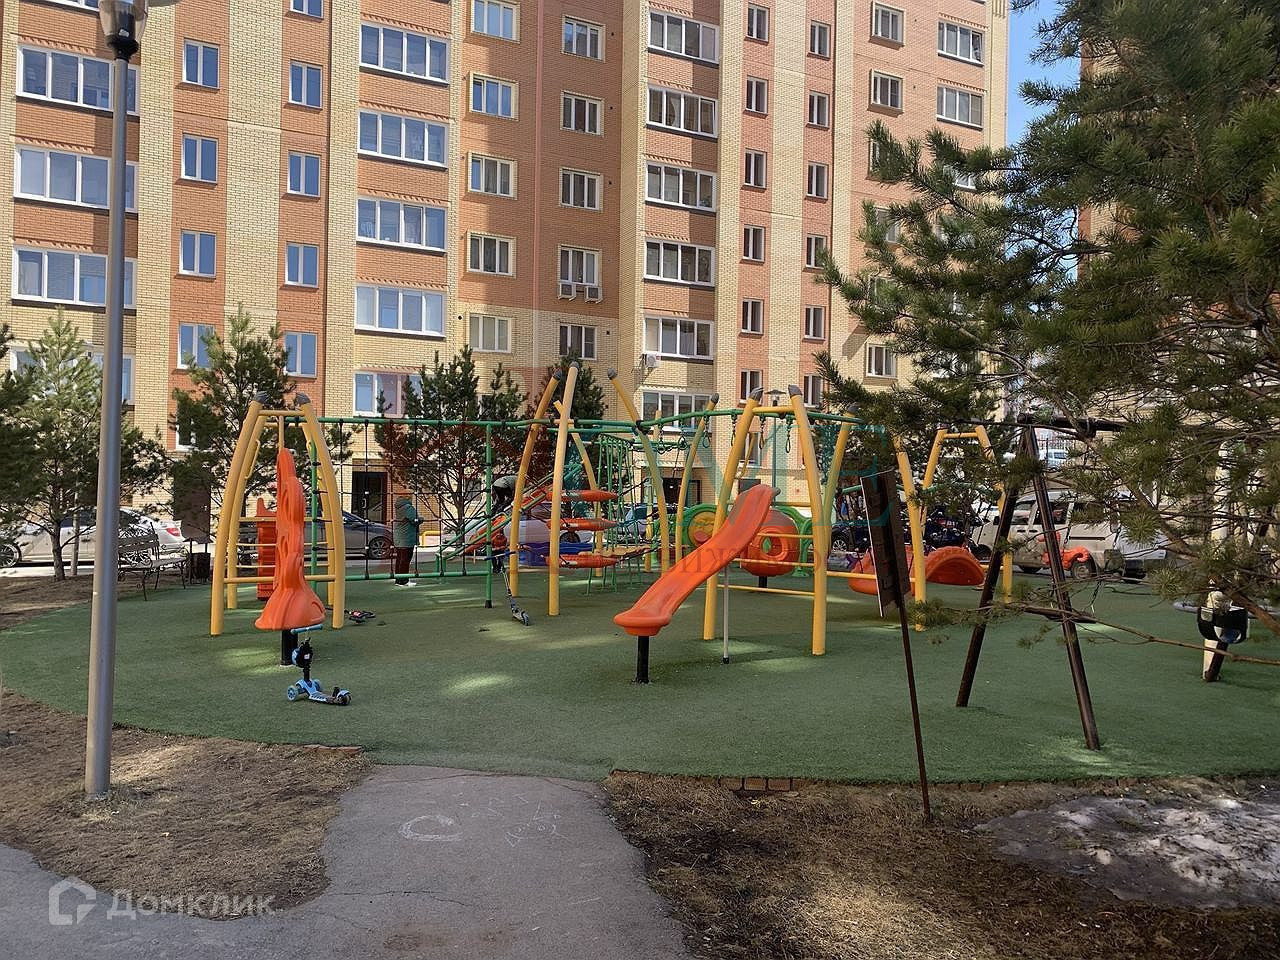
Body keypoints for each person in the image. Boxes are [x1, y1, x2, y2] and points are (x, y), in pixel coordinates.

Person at [393, 496, 422, 586]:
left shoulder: (399, 507)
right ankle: (404, 580)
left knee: (399, 559)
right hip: (407, 537)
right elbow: (415, 520)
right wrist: (422, 519)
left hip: (399, 536)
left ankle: (398, 579)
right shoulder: (408, 507)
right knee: (405, 560)